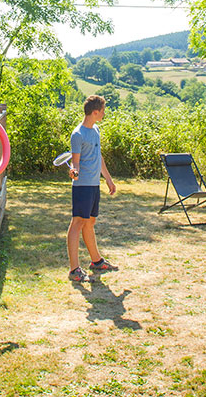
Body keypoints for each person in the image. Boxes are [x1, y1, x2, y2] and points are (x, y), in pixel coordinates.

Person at [67, 95, 118, 282]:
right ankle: (74, 270)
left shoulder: (95, 130)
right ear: (95, 112)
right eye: (102, 111)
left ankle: (96, 261)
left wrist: (108, 180)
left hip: (94, 185)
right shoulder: (78, 134)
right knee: (77, 223)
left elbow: (99, 157)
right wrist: (74, 171)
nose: (104, 114)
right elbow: (76, 162)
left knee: (90, 223)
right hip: (82, 186)